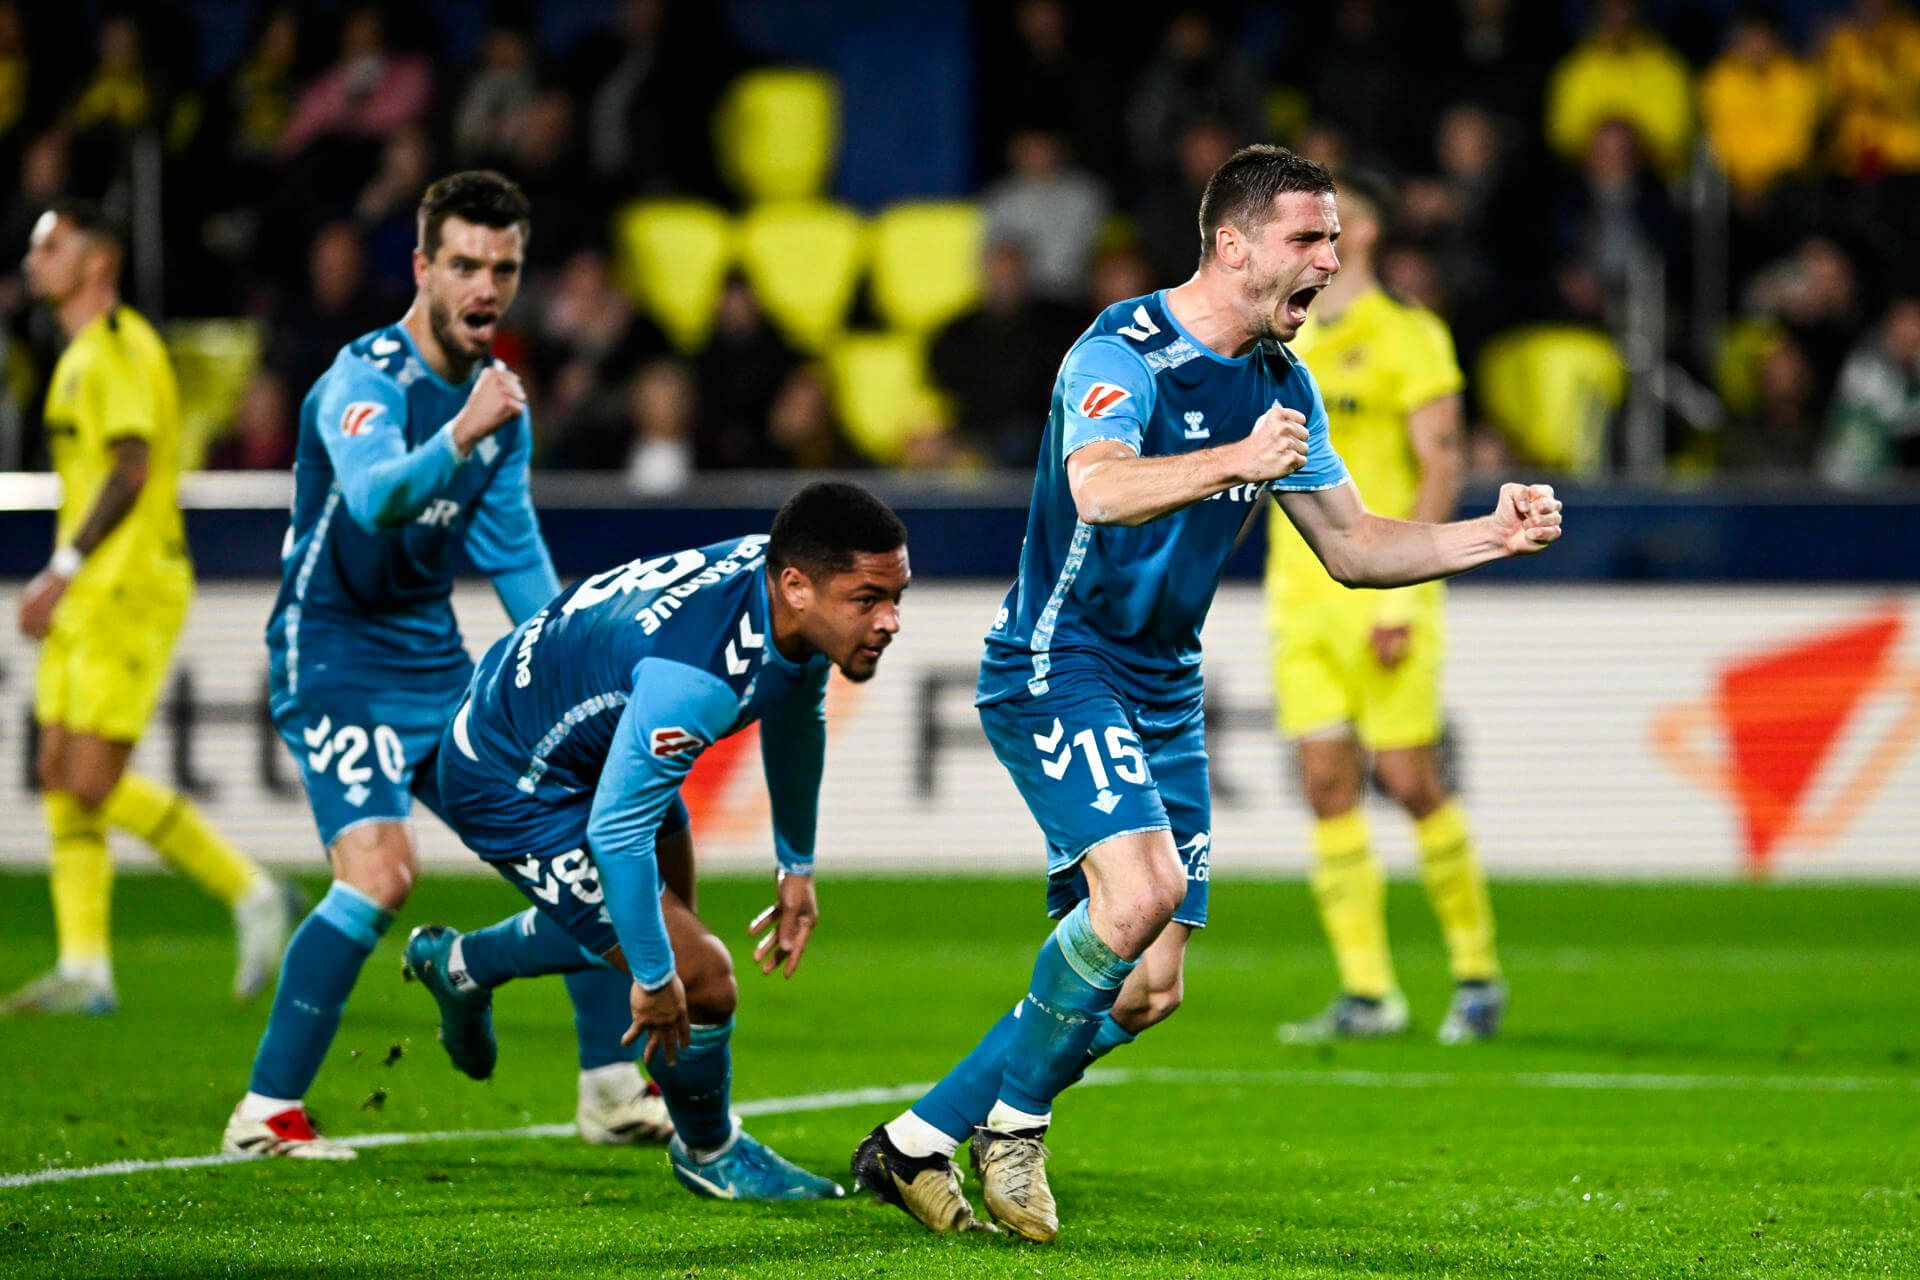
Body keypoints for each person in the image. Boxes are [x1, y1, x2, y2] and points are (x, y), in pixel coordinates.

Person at [851, 145, 1562, 1242]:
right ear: (1232, 248)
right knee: (1132, 897)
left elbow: (1356, 543)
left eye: (1335, 237)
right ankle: (1015, 1127)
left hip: (1163, 686)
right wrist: (1236, 458)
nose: (1333, 259)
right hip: (1061, 656)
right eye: (1309, 240)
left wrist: (1491, 536)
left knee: (1145, 988)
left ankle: (910, 1139)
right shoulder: (1123, 350)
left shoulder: (1283, 382)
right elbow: (1100, 482)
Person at [221, 172, 666, 1159]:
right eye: (465, 262)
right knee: (380, 872)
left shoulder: (502, 402)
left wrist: (575, 667)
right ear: (422, 268)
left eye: (503, 267)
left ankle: (606, 1086)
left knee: (587, 842)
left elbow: (510, 550)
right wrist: (461, 428)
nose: (486, 284)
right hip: (331, 653)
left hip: (433, 656)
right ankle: (265, 1111)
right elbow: (378, 496)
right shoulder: (362, 382)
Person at [399, 481, 909, 1200]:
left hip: (587, 741)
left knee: (664, 934)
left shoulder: (778, 590)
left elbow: (798, 715)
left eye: (897, 596)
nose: (889, 621)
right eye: (868, 599)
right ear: (796, 586)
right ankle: (709, 1151)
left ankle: (461, 965)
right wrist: (651, 978)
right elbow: (615, 831)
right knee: (697, 976)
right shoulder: (697, 677)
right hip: (512, 777)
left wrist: (796, 866)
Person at [4, 199, 293, 1017]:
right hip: (94, 586)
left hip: (129, 583)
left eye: (51, 246)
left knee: (90, 776)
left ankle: (252, 889)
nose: (34, 260)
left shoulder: (121, 349)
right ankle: (86, 967)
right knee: (57, 771)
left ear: (98, 262)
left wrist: (61, 568)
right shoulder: (76, 355)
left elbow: (131, 470)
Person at [1264, 176, 1503, 1045]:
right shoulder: (1278, 337)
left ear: (1357, 231)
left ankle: (1475, 973)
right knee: (1327, 786)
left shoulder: (1409, 335)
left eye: (1318, 223)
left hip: (1386, 591)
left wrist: (1412, 586)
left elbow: (1440, 466)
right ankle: (1369, 990)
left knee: (1408, 778)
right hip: (1299, 594)